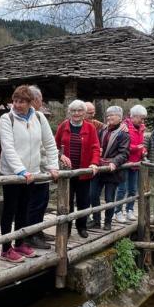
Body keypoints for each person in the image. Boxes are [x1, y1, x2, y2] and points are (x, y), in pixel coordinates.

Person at [0, 84, 59, 262]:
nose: (17, 105)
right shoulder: (6, 118)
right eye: (15, 101)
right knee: (9, 210)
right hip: (13, 174)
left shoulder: (39, 117)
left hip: (31, 174)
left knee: (24, 210)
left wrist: (53, 166)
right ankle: (5, 248)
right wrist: (20, 170)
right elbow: (8, 148)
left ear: (30, 102)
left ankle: (20, 243)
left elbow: (49, 144)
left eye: (22, 102)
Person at [54, 100, 100, 239]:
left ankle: (82, 227)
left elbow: (95, 147)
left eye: (79, 111)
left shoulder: (90, 128)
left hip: (83, 172)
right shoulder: (63, 126)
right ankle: (66, 228)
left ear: (84, 113)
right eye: (73, 111)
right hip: (66, 173)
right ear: (69, 112)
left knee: (83, 201)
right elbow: (54, 146)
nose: (76, 113)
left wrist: (94, 163)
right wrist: (60, 156)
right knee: (66, 202)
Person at [88, 106, 130, 232]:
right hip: (99, 168)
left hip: (112, 171)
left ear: (120, 117)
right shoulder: (102, 130)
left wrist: (115, 162)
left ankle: (107, 222)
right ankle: (96, 221)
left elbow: (124, 153)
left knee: (109, 198)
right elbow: (95, 145)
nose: (109, 117)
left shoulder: (124, 134)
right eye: (108, 115)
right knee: (93, 195)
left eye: (113, 115)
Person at [25, 85, 52, 249]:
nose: (42, 102)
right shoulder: (29, 118)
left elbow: (48, 142)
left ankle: (39, 230)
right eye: (41, 99)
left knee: (43, 202)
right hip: (36, 169)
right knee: (34, 204)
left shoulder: (40, 117)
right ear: (35, 100)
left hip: (44, 170)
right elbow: (39, 145)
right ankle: (31, 235)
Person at [113, 105, 148, 223]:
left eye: (143, 118)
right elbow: (122, 145)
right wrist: (136, 148)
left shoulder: (142, 128)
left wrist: (143, 150)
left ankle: (130, 210)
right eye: (141, 118)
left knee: (133, 189)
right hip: (125, 162)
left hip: (136, 163)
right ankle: (117, 211)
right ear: (133, 116)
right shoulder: (124, 127)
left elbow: (141, 142)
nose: (142, 121)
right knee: (122, 189)